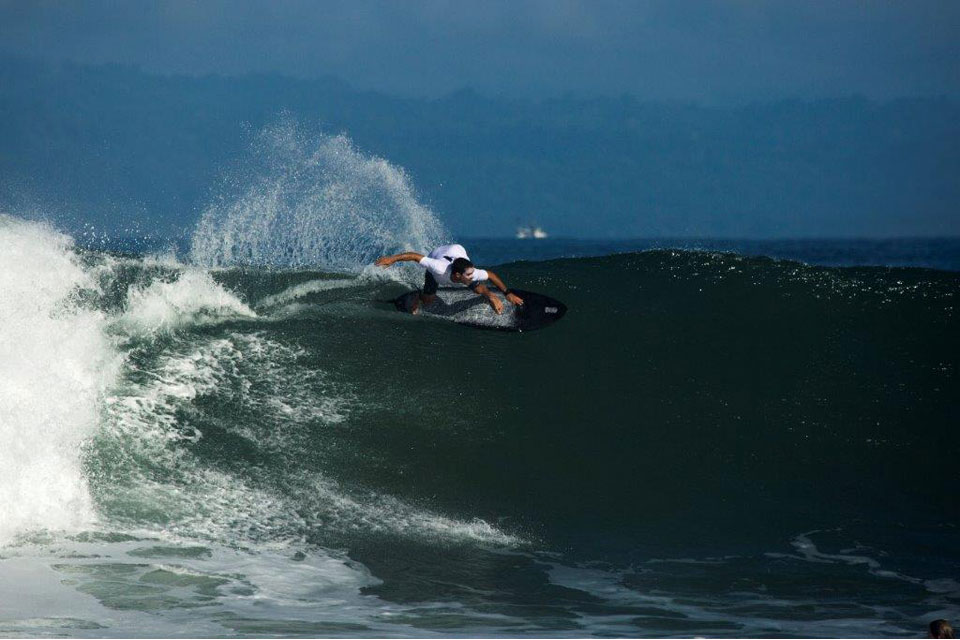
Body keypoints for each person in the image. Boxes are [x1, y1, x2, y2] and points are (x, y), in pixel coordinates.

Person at [375, 243, 524, 314]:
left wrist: (507, 293)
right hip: (438, 254)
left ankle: (490, 297)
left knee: (478, 287)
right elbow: (415, 256)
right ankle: (419, 295)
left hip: (457, 250)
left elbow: (490, 275)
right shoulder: (438, 268)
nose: (472, 276)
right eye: (468, 275)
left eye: (472, 273)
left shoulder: (469, 272)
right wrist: (392, 259)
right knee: (428, 301)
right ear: (457, 275)